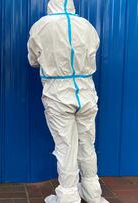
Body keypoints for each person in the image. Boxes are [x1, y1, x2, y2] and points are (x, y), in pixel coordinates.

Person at [27, 0, 108, 202]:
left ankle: (68, 196)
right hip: (86, 91)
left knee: (66, 146)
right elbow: (93, 52)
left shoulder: (41, 26)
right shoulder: (87, 26)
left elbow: (33, 60)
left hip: (58, 93)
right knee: (87, 143)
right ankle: (93, 194)